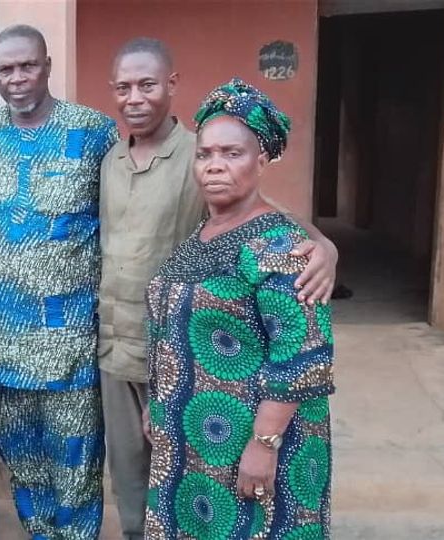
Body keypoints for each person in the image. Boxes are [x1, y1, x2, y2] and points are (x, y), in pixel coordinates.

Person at [99, 39, 338, 540]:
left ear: (261, 160)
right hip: (193, 434)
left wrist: (265, 443)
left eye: (232, 153)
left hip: (250, 439)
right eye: (206, 154)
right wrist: (163, 405)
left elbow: (302, 359)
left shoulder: (280, 247)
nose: (214, 165)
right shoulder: (201, 235)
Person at [0, 24, 117, 540]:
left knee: (76, 470)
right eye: (6, 69)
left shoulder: (94, 131)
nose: (17, 78)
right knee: (23, 468)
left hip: (70, 347)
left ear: (47, 65)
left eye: (27, 66)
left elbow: (122, 221)